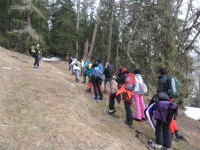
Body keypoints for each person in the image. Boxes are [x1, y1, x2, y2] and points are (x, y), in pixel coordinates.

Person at [146, 68, 178, 149]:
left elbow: (149, 108)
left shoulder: (159, 90)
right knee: (166, 127)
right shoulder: (168, 81)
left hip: (163, 106)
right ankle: (168, 146)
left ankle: (159, 144)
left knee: (159, 125)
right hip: (172, 106)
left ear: (160, 73)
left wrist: (147, 111)